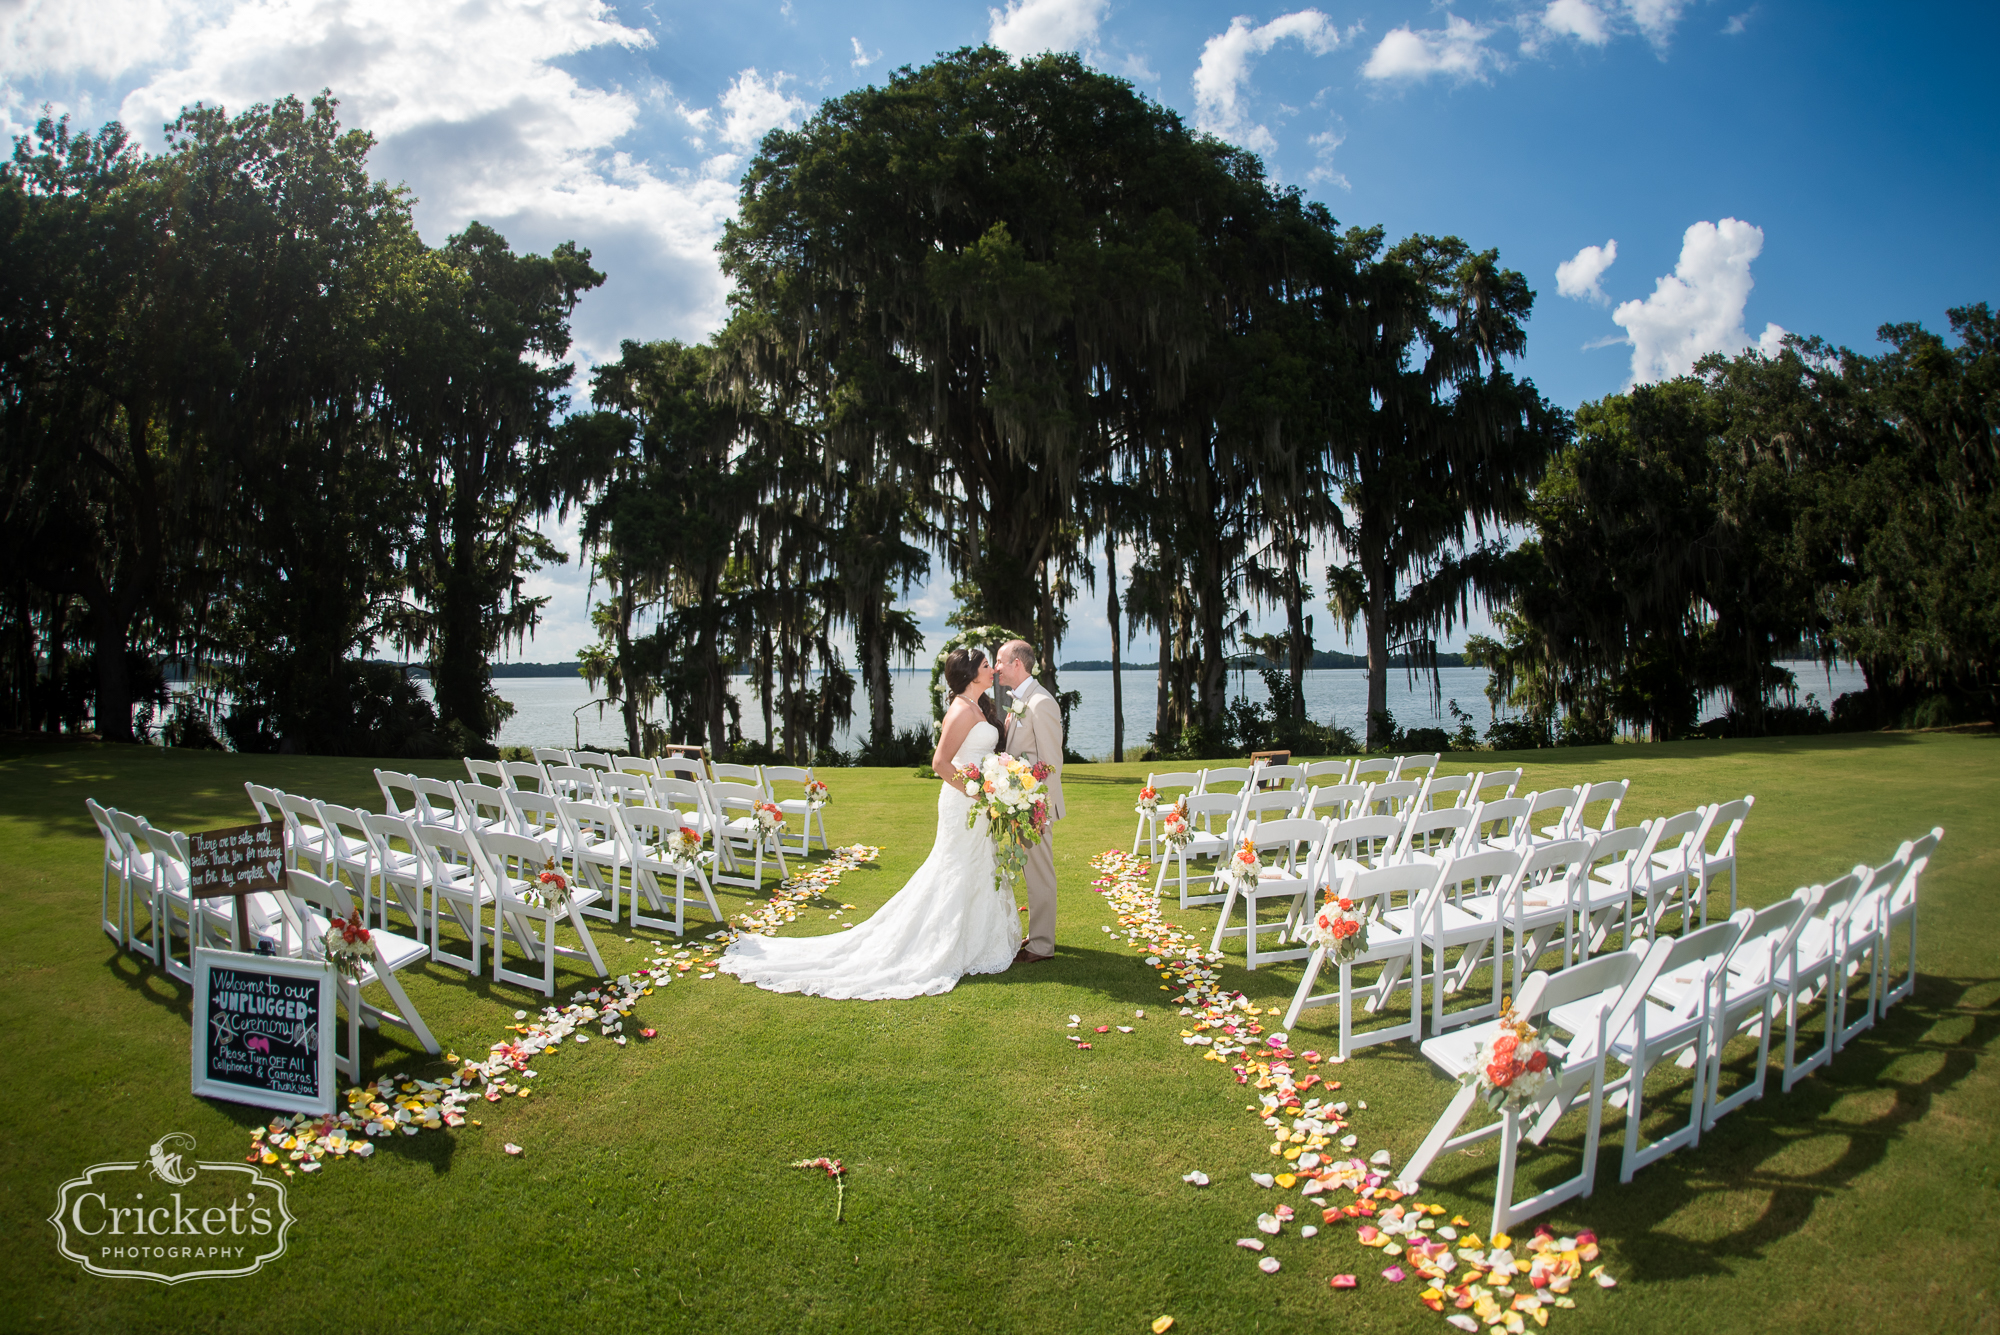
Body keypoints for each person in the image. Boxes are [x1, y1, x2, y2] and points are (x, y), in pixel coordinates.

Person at [716, 646, 1021, 999]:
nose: (991, 670)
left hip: (978, 803)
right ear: (970, 674)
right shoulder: (960, 710)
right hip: (963, 804)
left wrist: (992, 785)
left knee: (979, 867)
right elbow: (940, 763)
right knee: (956, 870)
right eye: (986, 666)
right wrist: (976, 792)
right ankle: (943, 943)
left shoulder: (978, 707)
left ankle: (979, 940)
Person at [995, 639, 1063, 964]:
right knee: (1031, 873)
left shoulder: (1040, 703)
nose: (996, 668)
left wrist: (1038, 806)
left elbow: (1051, 763)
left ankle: (1041, 946)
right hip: (1022, 802)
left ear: (1017, 664)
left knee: (1040, 874)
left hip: (1036, 805)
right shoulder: (1023, 700)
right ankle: (1038, 935)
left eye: (1000, 661)